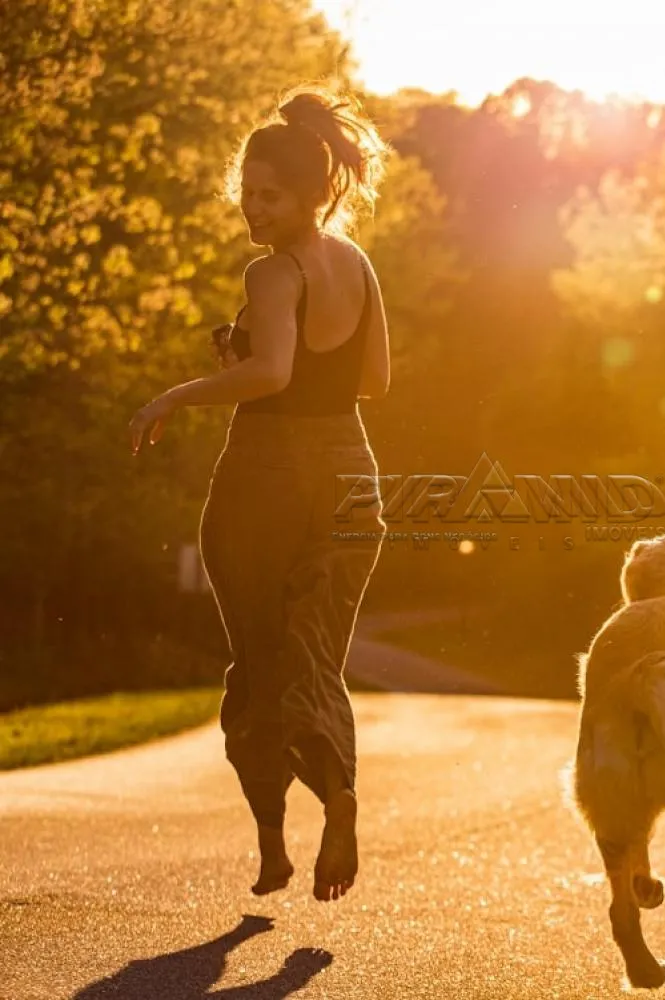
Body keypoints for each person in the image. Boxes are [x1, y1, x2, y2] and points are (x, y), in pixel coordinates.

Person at [128, 87, 391, 903]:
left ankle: (276, 843)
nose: (253, 206)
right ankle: (336, 796)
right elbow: (374, 380)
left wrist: (177, 393)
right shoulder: (357, 264)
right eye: (245, 191)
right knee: (316, 655)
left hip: (267, 476)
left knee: (260, 662)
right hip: (352, 473)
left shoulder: (271, 271)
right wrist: (254, 348)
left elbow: (274, 375)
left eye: (268, 194)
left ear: (310, 193)